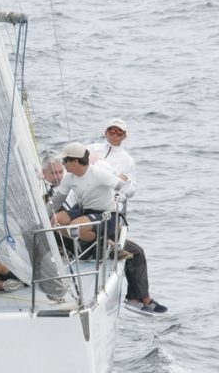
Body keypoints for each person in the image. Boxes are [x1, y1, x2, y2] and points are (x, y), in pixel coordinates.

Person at [85, 120, 167, 314]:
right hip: (95, 207)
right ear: (105, 132)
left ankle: (138, 297)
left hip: (108, 204)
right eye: (111, 131)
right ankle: (139, 298)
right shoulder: (91, 149)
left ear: (124, 136)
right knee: (135, 252)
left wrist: (120, 194)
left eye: (119, 132)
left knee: (132, 249)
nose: (114, 135)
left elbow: (131, 186)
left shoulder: (126, 159)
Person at [49, 143, 127, 244]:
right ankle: (81, 244)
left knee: (75, 226)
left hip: (107, 215)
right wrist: (41, 219)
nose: (62, 164)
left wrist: (120, 197)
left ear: (76, 161)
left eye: (64, 160)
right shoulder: (68, 177)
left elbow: (124, 186)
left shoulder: (99, 173)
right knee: (55, 221)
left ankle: (101, 242)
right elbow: (57, 201)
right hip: (86, 211)